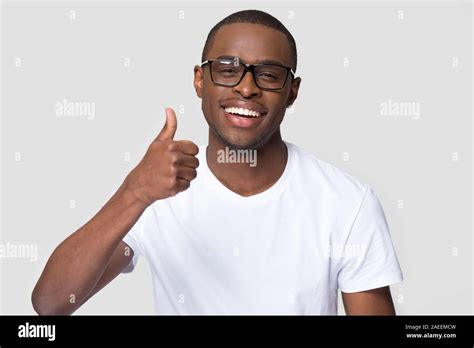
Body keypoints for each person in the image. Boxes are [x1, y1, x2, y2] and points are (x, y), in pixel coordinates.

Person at [32, 9, 403, 315]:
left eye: (269, 75)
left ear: (292, 91)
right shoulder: (155, 194)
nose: (246, 87)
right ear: (200, 80)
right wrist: (135, 192)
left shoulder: (347, 203)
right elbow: (50, 305)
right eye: (228, 69)